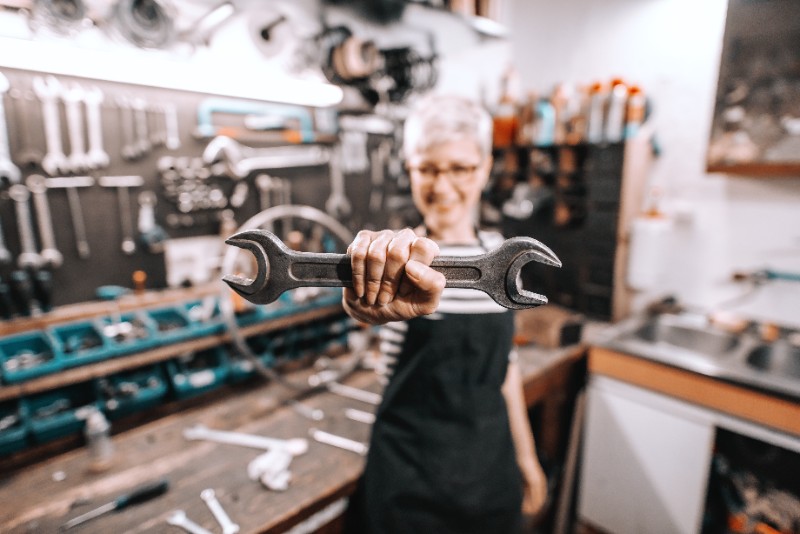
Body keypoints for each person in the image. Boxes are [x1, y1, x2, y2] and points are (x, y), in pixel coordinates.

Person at [342, 94, 548, 533]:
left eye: (460, 168)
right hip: (405, 474)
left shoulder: (500, 258)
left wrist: (527, 458)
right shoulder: (395, 260)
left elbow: (505, 367)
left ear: (485, 168)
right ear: (410, 169)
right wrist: (363, 303)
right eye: (427, 169)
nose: (442, 185)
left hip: (488, 467)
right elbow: (367, 313)